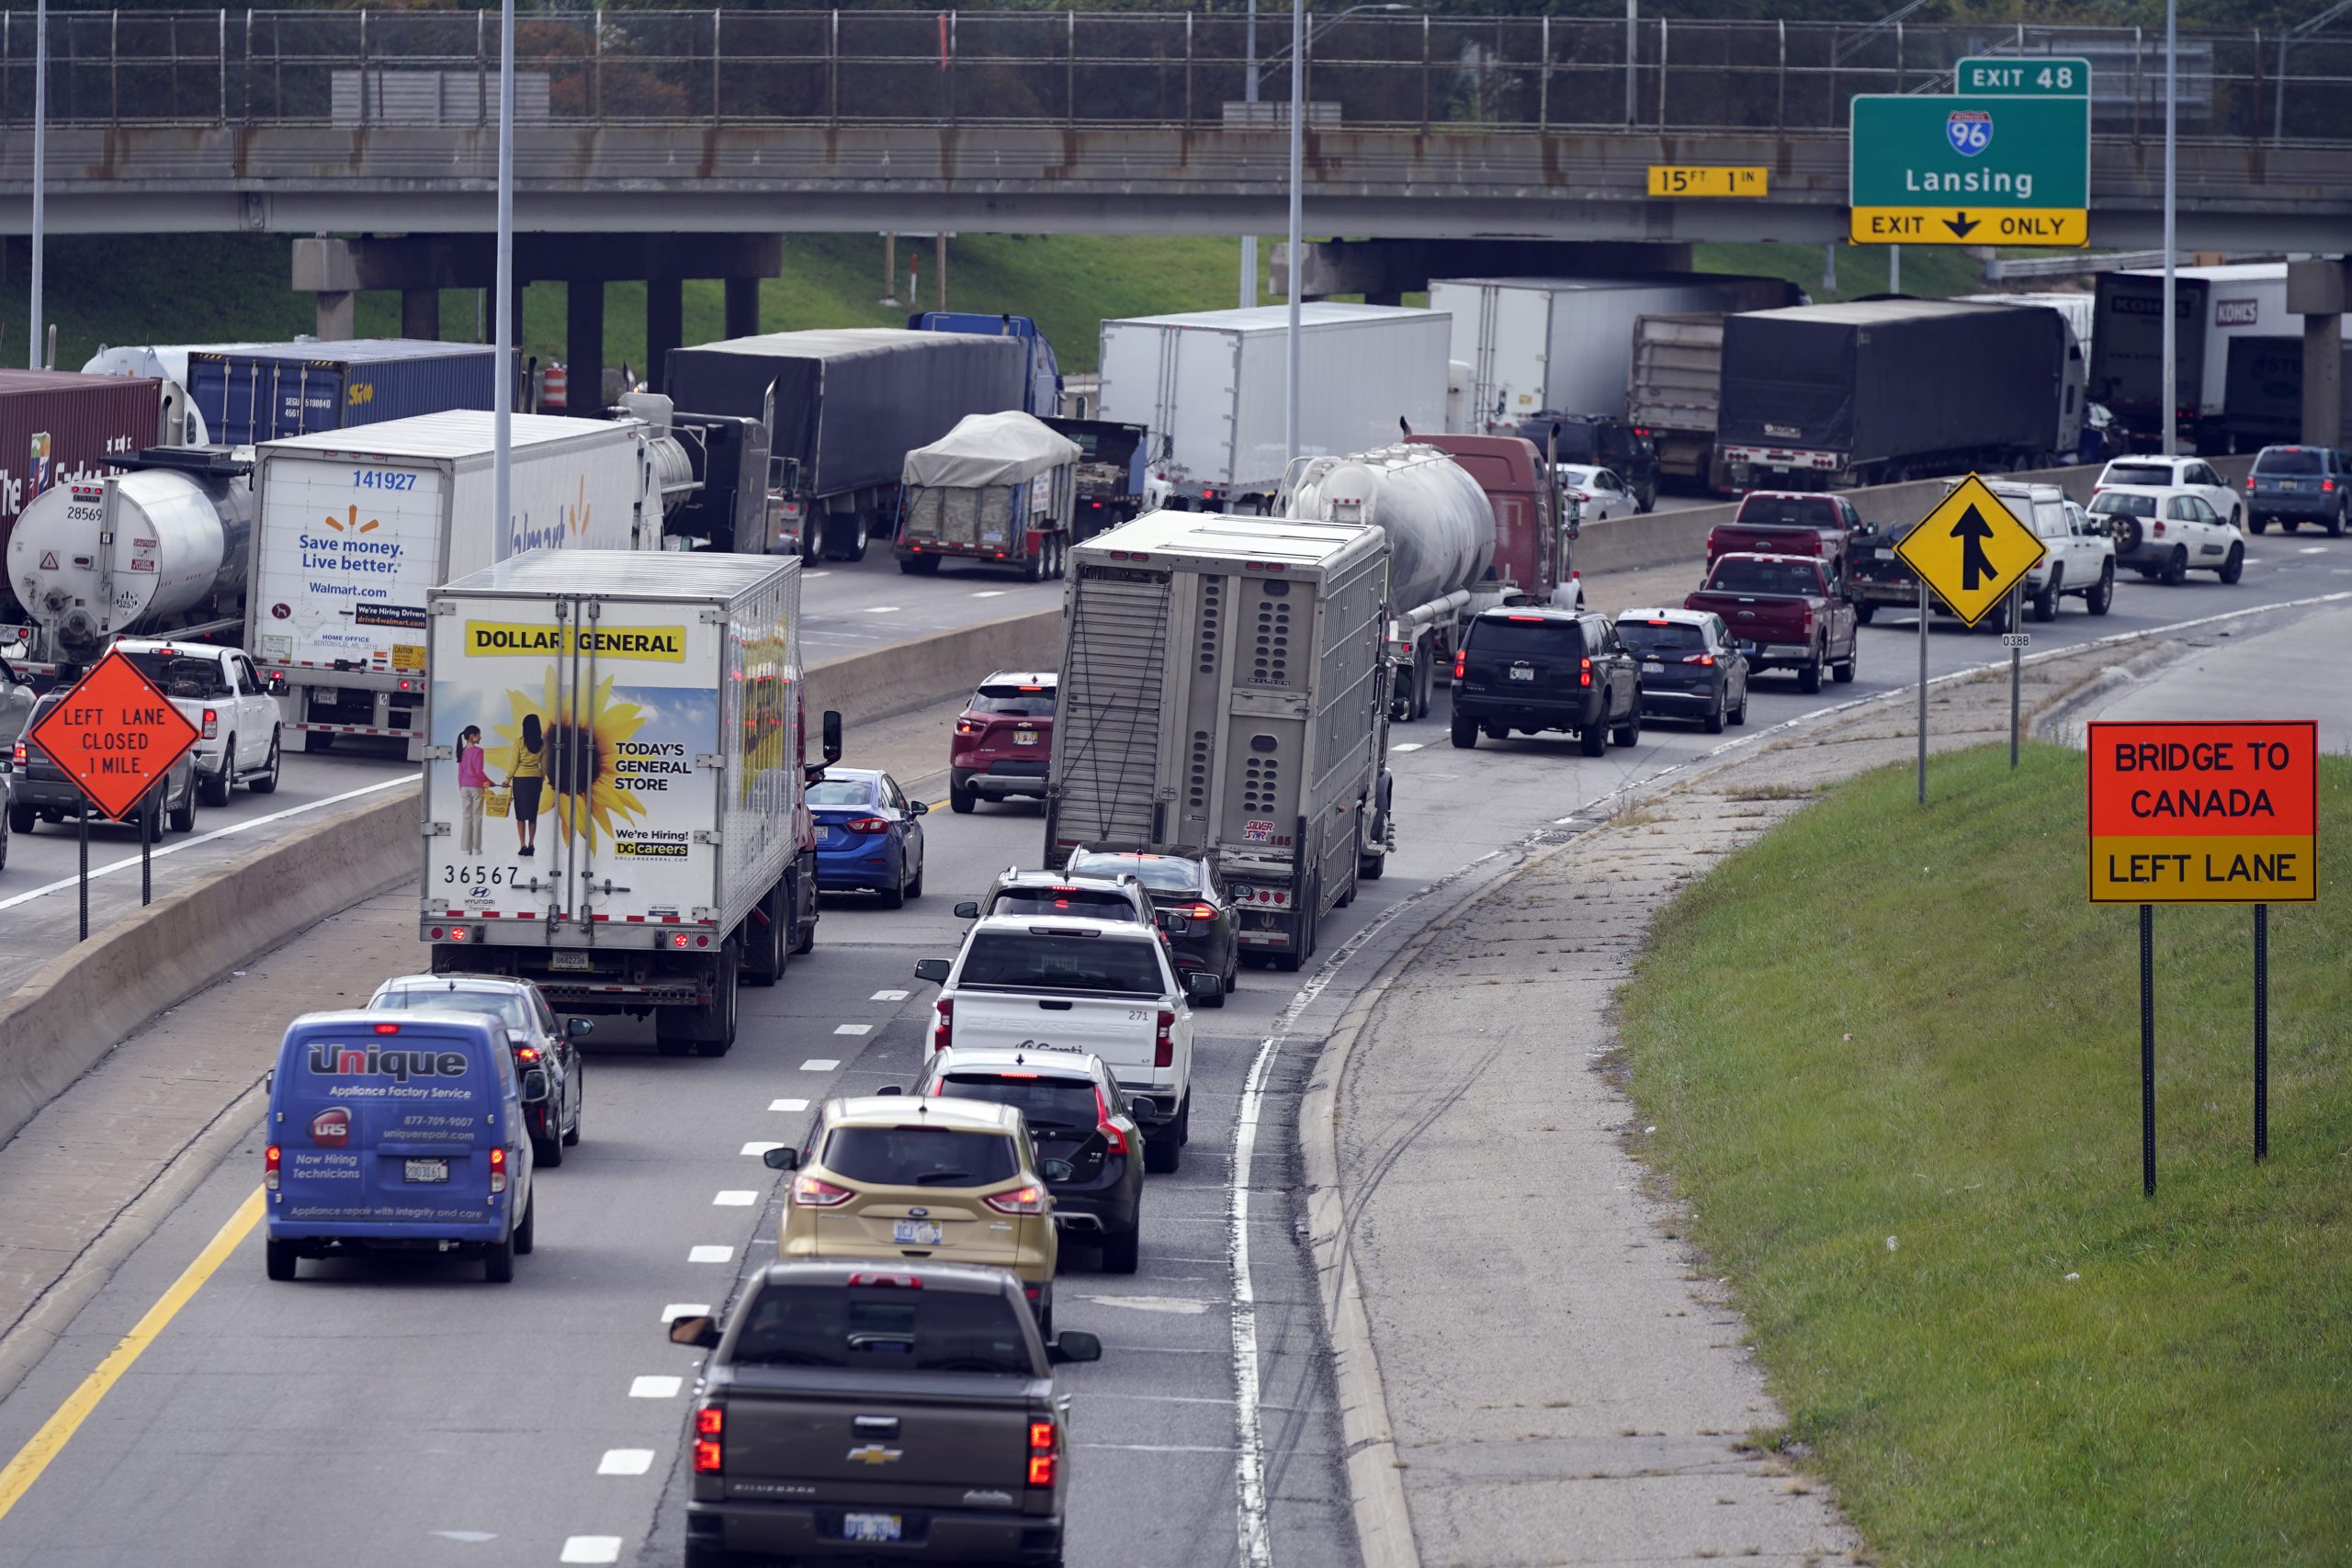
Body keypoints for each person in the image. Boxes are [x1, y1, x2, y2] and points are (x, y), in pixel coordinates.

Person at [509, 713, 546, 857]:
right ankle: (531, 844)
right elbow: (544, 767)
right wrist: (540, 780)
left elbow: (514, 763)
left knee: (520, 815)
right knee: (532, 815)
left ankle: (522, 845)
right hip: (535, 780)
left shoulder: (519, 742)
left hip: (520, 781)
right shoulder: (542, 744)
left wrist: (507, 779)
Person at [455, 726, 489, 857]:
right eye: (478, 735)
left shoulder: (462, 751)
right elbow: (479, 772)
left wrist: (461, 787)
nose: (480, 737)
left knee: (466, 817)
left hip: (464, 786)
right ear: (472, 736)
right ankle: (476, 848)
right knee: (477, 817)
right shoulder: (479, 751)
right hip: (476, 787)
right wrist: (489, 782)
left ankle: (465, 848)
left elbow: (460, 773)